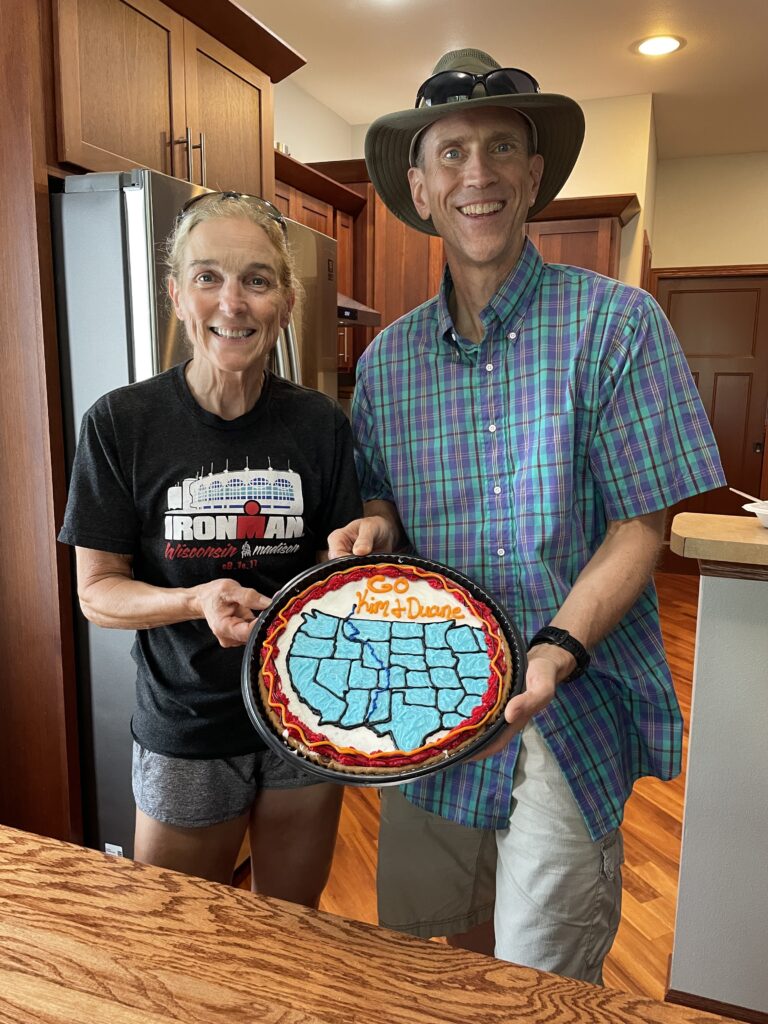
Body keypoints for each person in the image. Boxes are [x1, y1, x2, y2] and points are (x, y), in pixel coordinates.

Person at [329, 48, 725, 980]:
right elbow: (382, 491)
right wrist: (378, 523)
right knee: (440, 954)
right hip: (430, 701)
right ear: (421, 188)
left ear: (533, 176)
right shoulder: (386, 364)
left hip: (567, 705)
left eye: (502, 148)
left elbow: (643, 527)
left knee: (541, 975)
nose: (479, 174)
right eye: (453, 153)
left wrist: (553, 648)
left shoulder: (619, 326)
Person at [59, 192, 362, 905]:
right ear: (176, 296)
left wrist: (344, 567)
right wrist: (194, 598)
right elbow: (97, 592)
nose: (234, 302)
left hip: (305, 711)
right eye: (208, 278)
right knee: (180, 943)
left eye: (257, 280)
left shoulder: (319, 425)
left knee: (294, 928)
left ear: (285, 302)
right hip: (185, 728)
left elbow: (338, 562)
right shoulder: (122, 424)